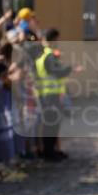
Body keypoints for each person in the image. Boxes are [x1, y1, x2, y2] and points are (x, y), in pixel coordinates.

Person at [33, 28, 81, 161]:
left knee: (52, 123)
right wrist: (71, 68)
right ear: (53, 39)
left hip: (48, 94)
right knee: (51, 124)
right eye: (57, 40)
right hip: (50, 95)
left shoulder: (43, 55)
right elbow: (57, 72)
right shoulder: (49, 55)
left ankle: (51, 150)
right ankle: (49, 152)